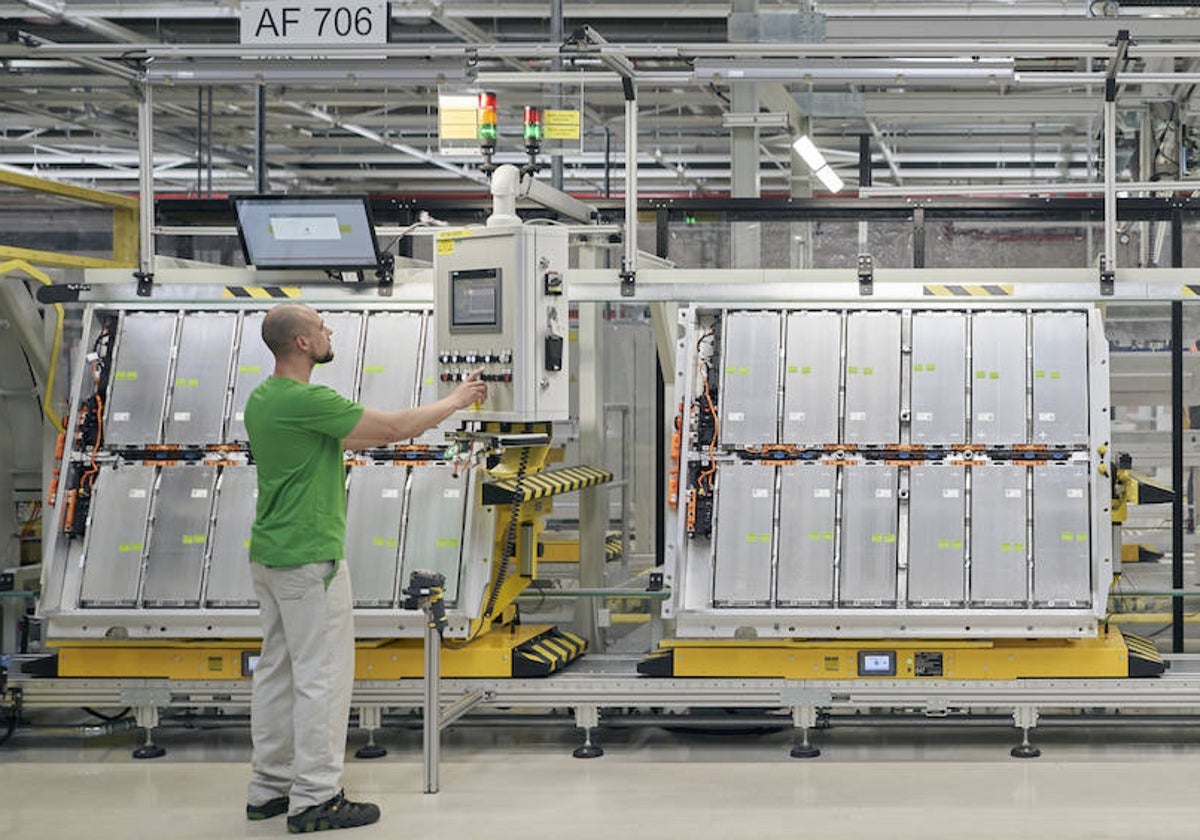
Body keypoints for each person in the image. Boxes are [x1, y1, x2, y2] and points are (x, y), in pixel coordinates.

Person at [243, 303, 486, 833]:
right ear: (303, 344)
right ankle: (315, 798)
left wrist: (410, 428)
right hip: (310, 559)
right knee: (322, 678)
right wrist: (457, 400)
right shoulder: (308, 399)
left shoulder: (266, 399)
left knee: (279, 673)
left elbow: (358, 438)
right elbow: (394, 427)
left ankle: (269, 789)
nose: (329, 331)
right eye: (320, 327)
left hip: (270, 555)